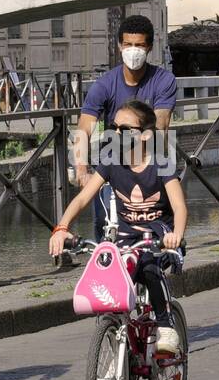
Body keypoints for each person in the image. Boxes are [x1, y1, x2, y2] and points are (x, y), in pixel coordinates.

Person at [50, 99, 187, 355]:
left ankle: (166, 323)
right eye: (113, 128)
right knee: (110, 278)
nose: (116, 134)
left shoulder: (161, 163)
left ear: (146, 135)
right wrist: (61, 227)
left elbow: (179, 207)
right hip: (125, 238)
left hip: (157, 236)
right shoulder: (111, 161)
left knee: (147, 266)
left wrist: (176, 234)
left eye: (125, 130)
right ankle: (115, 351)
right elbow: (82, 198)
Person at [75, 15, 179, 242]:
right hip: (113, 161)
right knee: (104, 224)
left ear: (149, 47)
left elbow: (160, 124)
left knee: (158, 228)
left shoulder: (164, 80)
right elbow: (83, 129)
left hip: (152, 160)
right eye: (129, 45)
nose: (134, 51)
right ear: (120, 46)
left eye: (140, 45)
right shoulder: (104, 84)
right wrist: (82, 169)